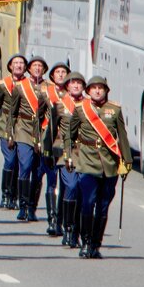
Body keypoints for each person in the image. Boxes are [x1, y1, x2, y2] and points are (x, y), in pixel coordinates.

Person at [66, 75, 133, 258]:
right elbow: (69, 135)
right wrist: (68, 155)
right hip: (87, 161)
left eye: (100, 88)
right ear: (88, 91)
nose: (97, 90)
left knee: (103, 206)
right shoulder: (81, 109)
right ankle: (86, 242)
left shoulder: (115, 110)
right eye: (94, 88)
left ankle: (96, 244)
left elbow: (123, 137)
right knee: (88, 203)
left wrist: (127, 161)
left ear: (106, 91)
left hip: (109, 164)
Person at [9, 55, 49, 222]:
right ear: (29, 69)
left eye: (40, 66)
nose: (37, 68)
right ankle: (23, 205)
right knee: (25, 165)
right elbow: (12, 112)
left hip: (41, 130)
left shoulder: (49, 88)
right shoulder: (20, 87)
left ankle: (32, 207)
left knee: (38, 172)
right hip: (23, 129)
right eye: (34, 65)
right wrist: (10, 134)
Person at [0, 54, 25, 210]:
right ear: (10, 66)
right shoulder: (2, 84)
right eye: (15, 63)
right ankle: (5, 194)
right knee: (10, 160)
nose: (18, 65)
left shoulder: (28, 85)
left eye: (21, 63)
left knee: (20, 163)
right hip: (6, 126)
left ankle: (16, 197)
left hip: (22, 127)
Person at [56, 72, 85, 249]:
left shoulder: (88, 106)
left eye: (79, 84)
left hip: (85, 154)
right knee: (71, 187)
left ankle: (76, 232)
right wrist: (48, 153)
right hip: (65, 152)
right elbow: (51, 129)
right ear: (67, 86)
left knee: (81, 193)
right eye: (73, 83)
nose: (75, 86)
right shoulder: (59, 105)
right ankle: (67, 229)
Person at [41, 61, 70, 236]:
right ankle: (52, 220)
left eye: (63, 72)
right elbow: (38, 118)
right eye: (57, 72)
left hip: (67, 146)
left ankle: (62, 221)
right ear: (52, 75)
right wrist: (42, 144)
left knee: (66, 185)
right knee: (52, 182)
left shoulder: (73, 97)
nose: (60, 74)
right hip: (50, 142)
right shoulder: (45, 93)